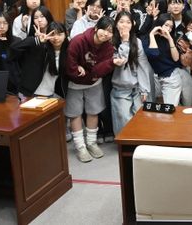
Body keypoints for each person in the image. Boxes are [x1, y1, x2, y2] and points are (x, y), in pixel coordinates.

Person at [65, 16, 115, 163]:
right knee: (75, 114)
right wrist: (89, 74)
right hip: (75, 84)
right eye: (104, 29)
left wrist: (90, 73)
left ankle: (91, 143)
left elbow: (102, 69)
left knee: (93, 112)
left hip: (94, 83)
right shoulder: (78, 41)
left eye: (110, 32)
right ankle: (80, 146)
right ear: (96, 27)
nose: (106, 34)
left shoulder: (108, 47)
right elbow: (70, 66)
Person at [111, 11, 152, 135]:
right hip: (120, 88)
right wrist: (124, 41)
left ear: (133, 24)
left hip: (137, 87)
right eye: (121, 22)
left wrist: (144, 89)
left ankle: (138, 143)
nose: (125, 25)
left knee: (140, 118)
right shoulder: (111, 41)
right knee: (124, 121)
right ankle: (125, 144)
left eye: (128, 22)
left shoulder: (137, 41)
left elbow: (142, 66)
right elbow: (121, 61)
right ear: (116, 24)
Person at [144, 13, 192, 106]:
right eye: (166, 25)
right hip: (157, 77)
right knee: (161, 106)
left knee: (175, 107)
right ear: (159, 24)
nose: (168, 29)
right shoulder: (147, 39)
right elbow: (154, 54)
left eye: (171, 27)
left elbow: (176, 58)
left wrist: (170, 39)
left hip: (172, 76)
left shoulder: (170, 38)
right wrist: (152, 35)